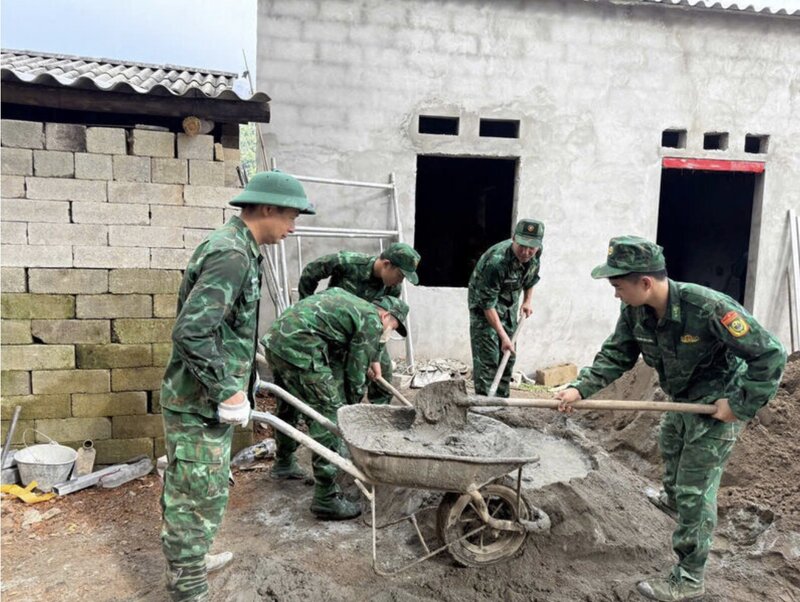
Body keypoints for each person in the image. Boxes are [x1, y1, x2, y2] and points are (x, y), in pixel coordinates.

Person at [555, 235, 786, 602]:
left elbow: (771, 355)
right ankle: (673, 500)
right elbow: (618, 354)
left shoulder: (709, 308)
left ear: (644, 282)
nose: (615, 294)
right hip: (682, 399)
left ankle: (690, 577)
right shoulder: (635, 311)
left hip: (716, 406)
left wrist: (739, 405)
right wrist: (580, 389)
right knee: (670, 445)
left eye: (618, 286)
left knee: (696, 489)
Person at [159, 170, 315, 602]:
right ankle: (188, 588)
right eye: (291, 216)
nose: (293, 227)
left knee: (203, 490)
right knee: (194, 493)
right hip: (197, 399)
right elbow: (191, 331)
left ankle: (193, 560)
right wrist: (227, 390)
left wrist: (249, 367)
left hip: (205, 397)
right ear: (267, 209)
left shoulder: (241, 249)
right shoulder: (231, 254)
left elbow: (225, 327)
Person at [263, 289, 409, 520]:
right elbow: (354, 374)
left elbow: (352, 352)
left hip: (277, 342)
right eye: (393, 326)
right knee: (328, 412)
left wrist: (374, 360)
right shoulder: (371, 320)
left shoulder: (354, 306)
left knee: (290, 404)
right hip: (301, 351)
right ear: (386, 316)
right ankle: (326, 497)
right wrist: (348, 412)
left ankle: (283, 462)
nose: (389, 333)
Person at [295, 242, 421, 406]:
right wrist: (306, 306)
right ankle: (346, 411)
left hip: (366, 334)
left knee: (383, 373)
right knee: (346, 378)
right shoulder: (349, 262)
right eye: (400, 275)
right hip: (335, 331)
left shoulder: (392, 288)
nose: (400, 282)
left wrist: (375, 357)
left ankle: (380, 417)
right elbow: (311, 272)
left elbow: (382, 328)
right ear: (387, 264)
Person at [468, 219, 544, 397]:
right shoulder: (497, 262)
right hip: (484, 309)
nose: (525, 252)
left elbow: (531, 277)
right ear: (513, 239)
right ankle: (484, 407)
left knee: (508, 356)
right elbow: (488, 304)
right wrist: (503, 337)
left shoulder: (535, 252)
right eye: (521, 246)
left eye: (531, 248)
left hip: (509, 305)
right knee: (488, 360)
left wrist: (527, 301)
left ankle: (500, 403)